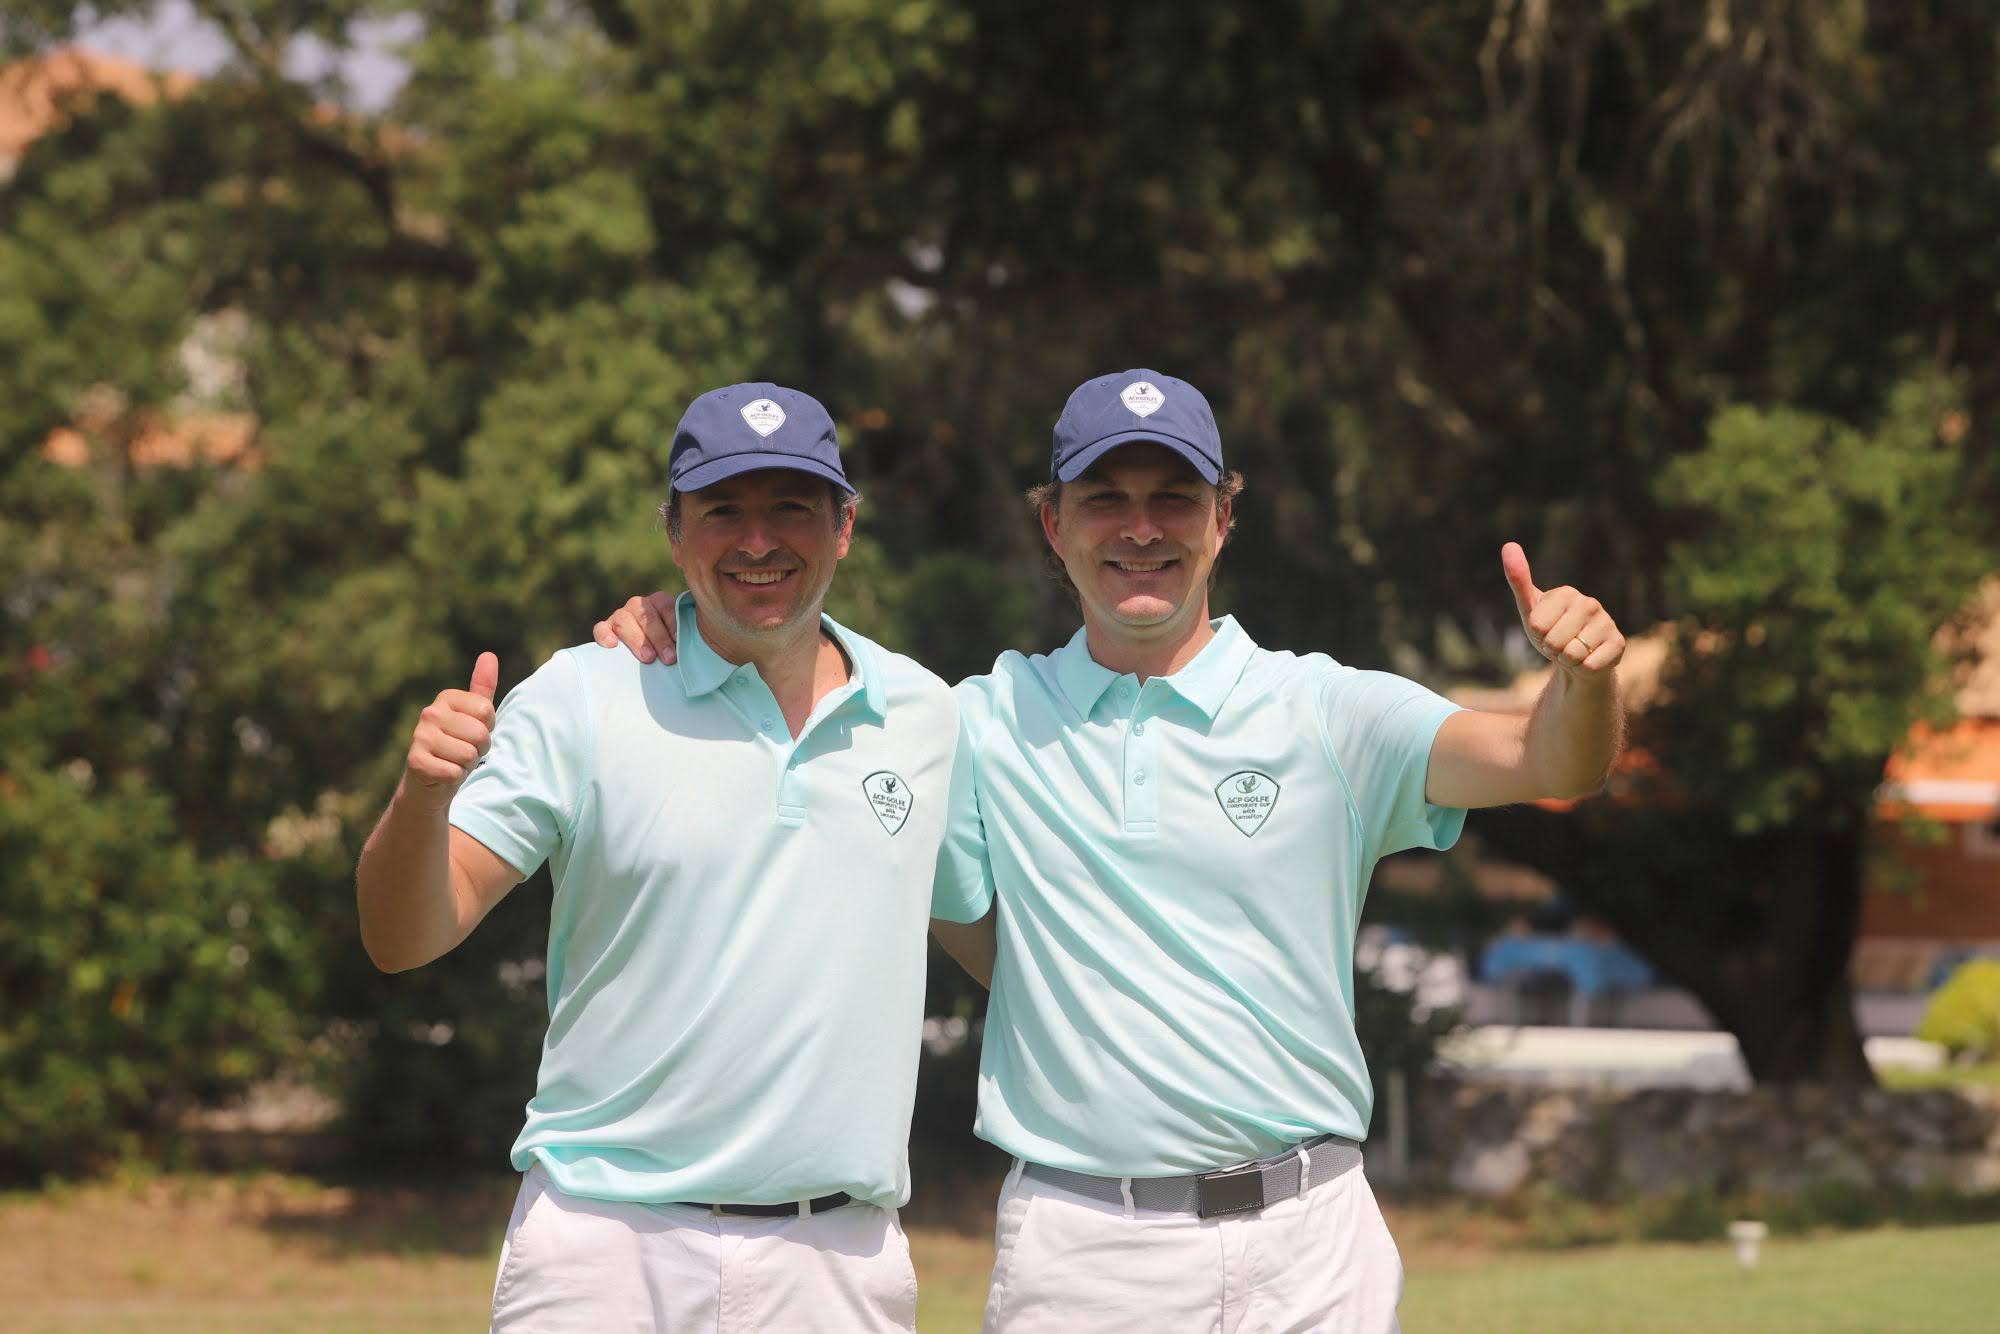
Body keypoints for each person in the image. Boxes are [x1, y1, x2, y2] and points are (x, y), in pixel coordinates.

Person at [596, 369, 1625, 1331]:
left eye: (1173, 497)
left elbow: (1544, 759)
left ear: (1222, 518)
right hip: (1084, 1249)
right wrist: (675, 626)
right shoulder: (976, 722)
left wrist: (1584, 681)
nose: (1141, 528)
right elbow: (805, 723)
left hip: (1313, 1241)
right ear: (1053, 524)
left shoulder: (1325, 708)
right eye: (1104, 499)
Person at [357, 382, 988, 1333]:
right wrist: (421, 797)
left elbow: (1000, 955)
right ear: (673, 532)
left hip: (837, 1262)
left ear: (845, 526)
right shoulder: (582, 694)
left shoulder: (927, 715)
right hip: (605, 1250)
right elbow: (403, 936)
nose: (758, 540)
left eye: (791, 507)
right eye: (722, 510)